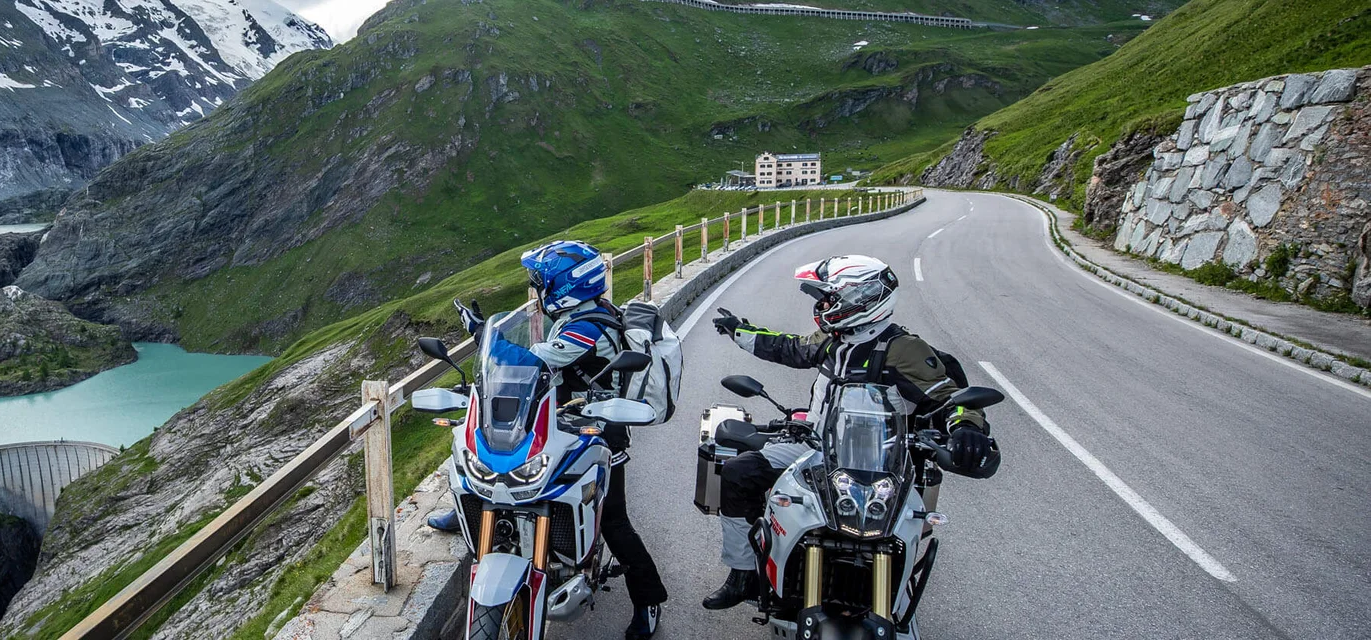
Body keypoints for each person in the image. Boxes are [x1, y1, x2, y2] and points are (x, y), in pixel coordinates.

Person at [702, 255, 1000, 610]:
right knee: (737, 472)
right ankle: (743, 574)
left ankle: (890, 587)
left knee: (898, 523)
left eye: (830, 298)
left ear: (861, 298)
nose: (823, 305)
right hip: (816, 446)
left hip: (879, 462)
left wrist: (967, 427)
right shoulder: (835, 337)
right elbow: (790, 347)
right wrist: (741, 331)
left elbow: (948, 397)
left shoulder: (903, 349)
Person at [425, 239, 669, 639]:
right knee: (486, 459)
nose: (538, 290)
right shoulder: (581, 315)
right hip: (560, 419)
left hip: (599, 431)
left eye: (542, 282)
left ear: (564, 286)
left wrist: (482, 332)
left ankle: (648, 600)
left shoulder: (588, 328)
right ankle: (472, 508)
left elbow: (533, 359)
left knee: (615, 526)